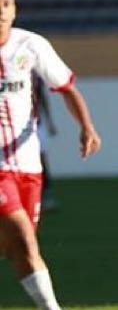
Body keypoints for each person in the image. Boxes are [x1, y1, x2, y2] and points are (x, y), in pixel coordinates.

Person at [0, 0, 101, 310]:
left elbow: (66, 87)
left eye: (6, 3)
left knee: (16, 249)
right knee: (23, 238)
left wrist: (87, 127)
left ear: (14, 9)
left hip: (28, 166)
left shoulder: (31, 45)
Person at [32, 73, 60, 212]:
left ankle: (46, 196)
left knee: (41, 159)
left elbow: (43, 99)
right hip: (11, 128)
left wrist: (50, 122)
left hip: (36, 125)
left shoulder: (36, 77)